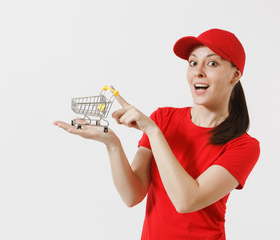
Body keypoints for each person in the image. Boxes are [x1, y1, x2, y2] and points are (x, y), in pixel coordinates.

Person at [54, 28, 260, 240]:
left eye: (212, 63)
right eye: (192, 62)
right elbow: (132, 195)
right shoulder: (164, 118)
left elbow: (186, 201)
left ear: (235, 75)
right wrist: (112, 143)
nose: (198, 71)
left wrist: (153, 131)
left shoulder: (243, 146)